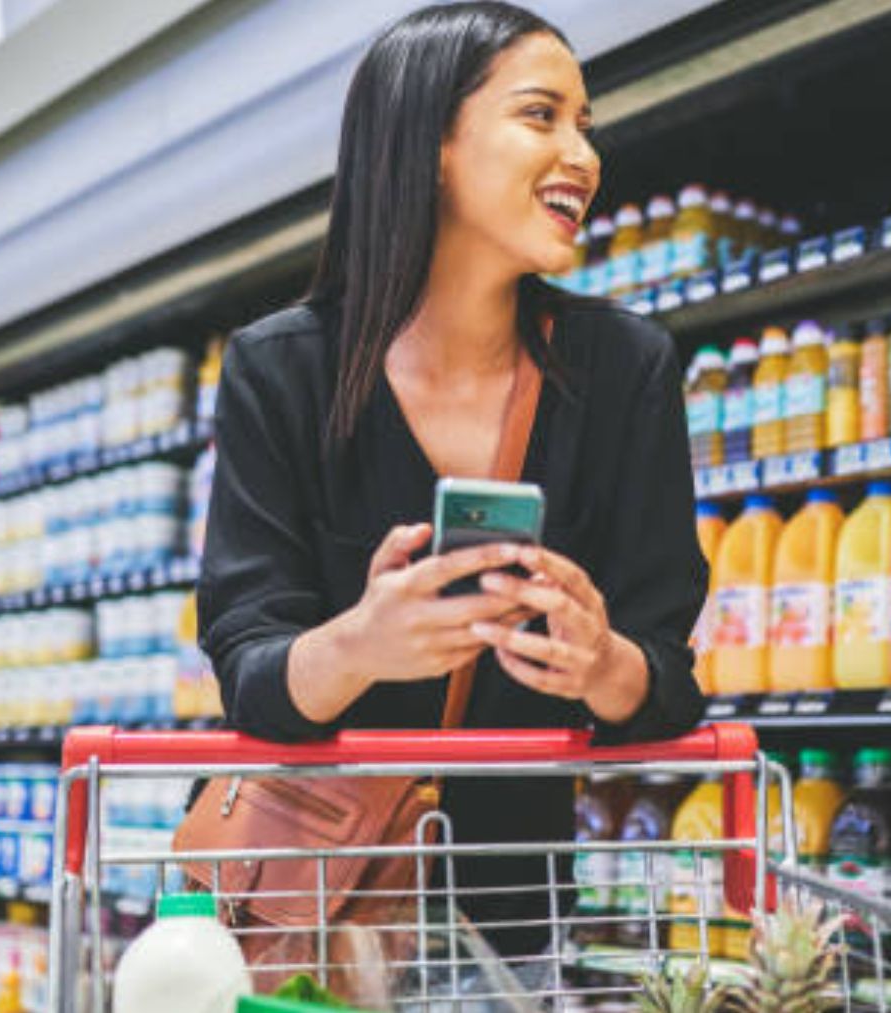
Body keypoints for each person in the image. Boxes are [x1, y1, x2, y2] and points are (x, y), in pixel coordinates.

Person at [195, 1, 707, 958]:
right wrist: (363, 643)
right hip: (313, 919)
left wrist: (602, 663)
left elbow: (669, 676)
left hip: (514, 924)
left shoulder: (624, 369)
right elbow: (249, 672)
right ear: (429, 141)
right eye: (541, 115)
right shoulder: (282, 370)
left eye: (585, 125)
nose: (583, 156)